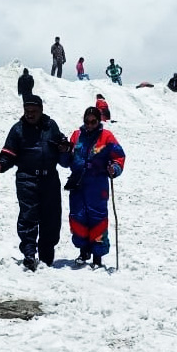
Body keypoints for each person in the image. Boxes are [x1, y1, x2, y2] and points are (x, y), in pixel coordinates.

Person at [0, 95, 69, 271]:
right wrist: (0, 165)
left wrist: (64, 146)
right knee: (28, 216)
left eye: (33, 111)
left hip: (49, 178)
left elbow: (60, 143)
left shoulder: (51, 126)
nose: (30, 115)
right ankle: (29, 254)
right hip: (26, 178)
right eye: (27, 111)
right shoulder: (18, 129)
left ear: (41, 110)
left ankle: (46, 256)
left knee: (51, 218)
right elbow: (8, 154)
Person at [59, 106, 125, 267]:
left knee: (98, 218)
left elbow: (119, 156)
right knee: (77, 216)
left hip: (97, 184)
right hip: (77, 183)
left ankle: (97, 256)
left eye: (93, 122)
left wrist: (114, 169)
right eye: (86, 122)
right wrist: (64, 152)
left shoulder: (107, 137)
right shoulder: (76, 135)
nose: (89, 125)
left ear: (98, 121)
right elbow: (65, 162)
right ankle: (83, 251)